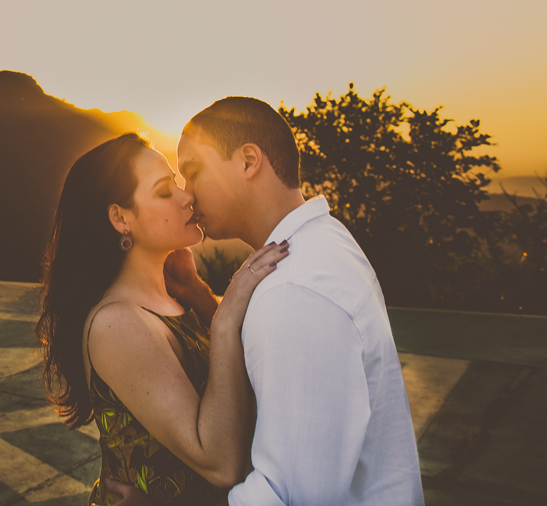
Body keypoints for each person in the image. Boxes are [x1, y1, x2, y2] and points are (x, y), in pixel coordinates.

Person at [111, 97, 424, 505]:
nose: (187, 196)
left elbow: (292, 497)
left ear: (247, 162)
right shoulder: (320, 243)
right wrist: (204, 299)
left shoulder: (295, 294)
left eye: (192, 172)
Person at [37, 132, 289, 505]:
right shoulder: (116, 323)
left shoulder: (173, 296)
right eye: (164, 191)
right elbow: (221, 464)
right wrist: (227, 315)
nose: (187, 196)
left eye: (177, 183)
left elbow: (233, 377)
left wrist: (202, 297)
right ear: (121, 219)